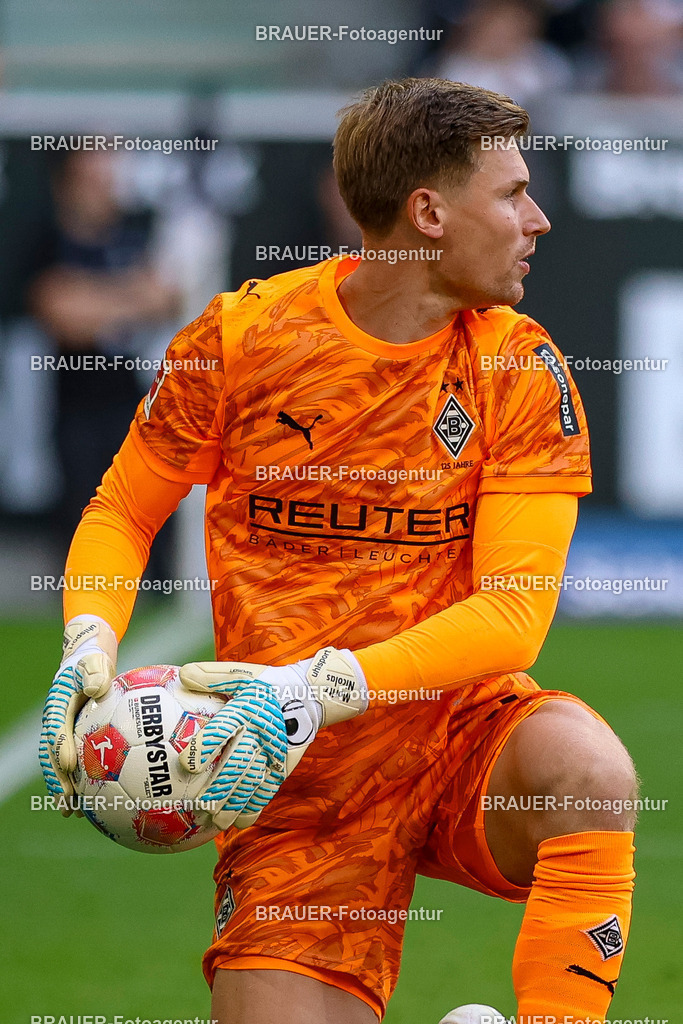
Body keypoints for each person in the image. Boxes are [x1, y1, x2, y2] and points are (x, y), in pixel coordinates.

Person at [40, 79, 637, 1024]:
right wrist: (86, 640)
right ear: (429, 212)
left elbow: (513, 617)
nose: (538, 219)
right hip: (286, 780)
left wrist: (314, 686)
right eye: (512, 192)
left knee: (588, 772)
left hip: (450, 736)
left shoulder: (519, 367)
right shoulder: (242, 338)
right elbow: (122, 509)